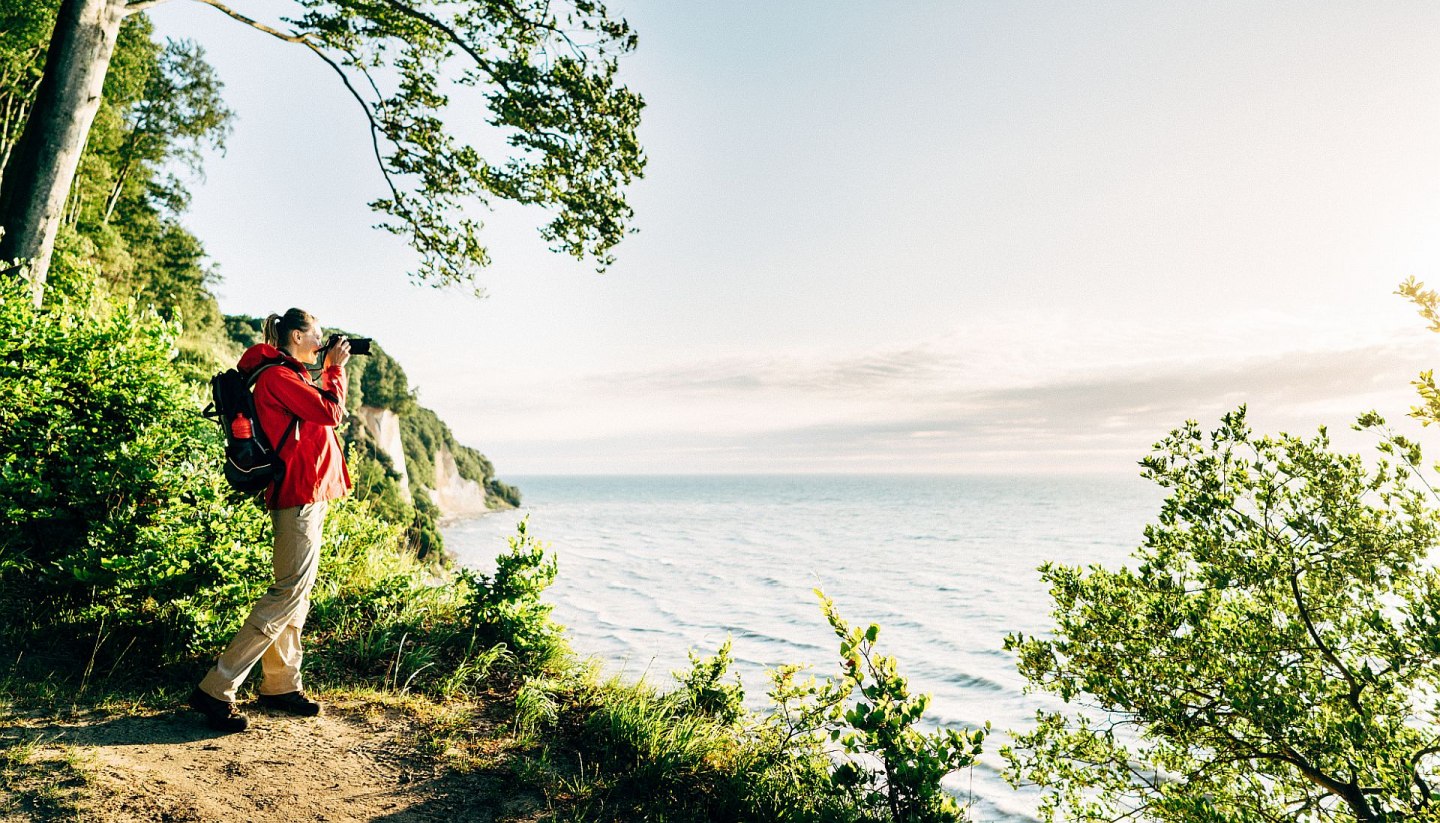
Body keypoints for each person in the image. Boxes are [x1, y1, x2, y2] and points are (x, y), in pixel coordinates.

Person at [188, 308, 352, 732]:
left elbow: (311, 415)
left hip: (307, 494)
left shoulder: (286, 374)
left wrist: (325, 371)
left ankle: (280, 684)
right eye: (316, 335)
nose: (321, 342)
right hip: (297, 495)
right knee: (286, 594)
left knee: (297, 594)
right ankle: (216, 689)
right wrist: (334, 371)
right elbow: (330, 413)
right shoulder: (278, 376)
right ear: (296, 336)